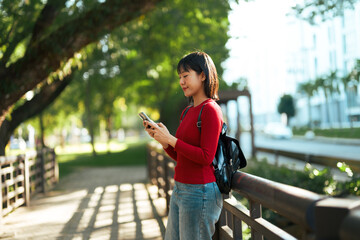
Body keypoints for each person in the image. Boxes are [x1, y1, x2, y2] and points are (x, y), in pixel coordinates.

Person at [143, 51, 223, 240]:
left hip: (200, 192)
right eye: (180, 77)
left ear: (203, 75)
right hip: (180, 187)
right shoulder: (187, 112)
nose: (181, 82)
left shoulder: (211, 109)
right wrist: (164, 141)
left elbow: (206, 157)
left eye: (186, 76)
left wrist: (171, 140)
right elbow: (181, 156)